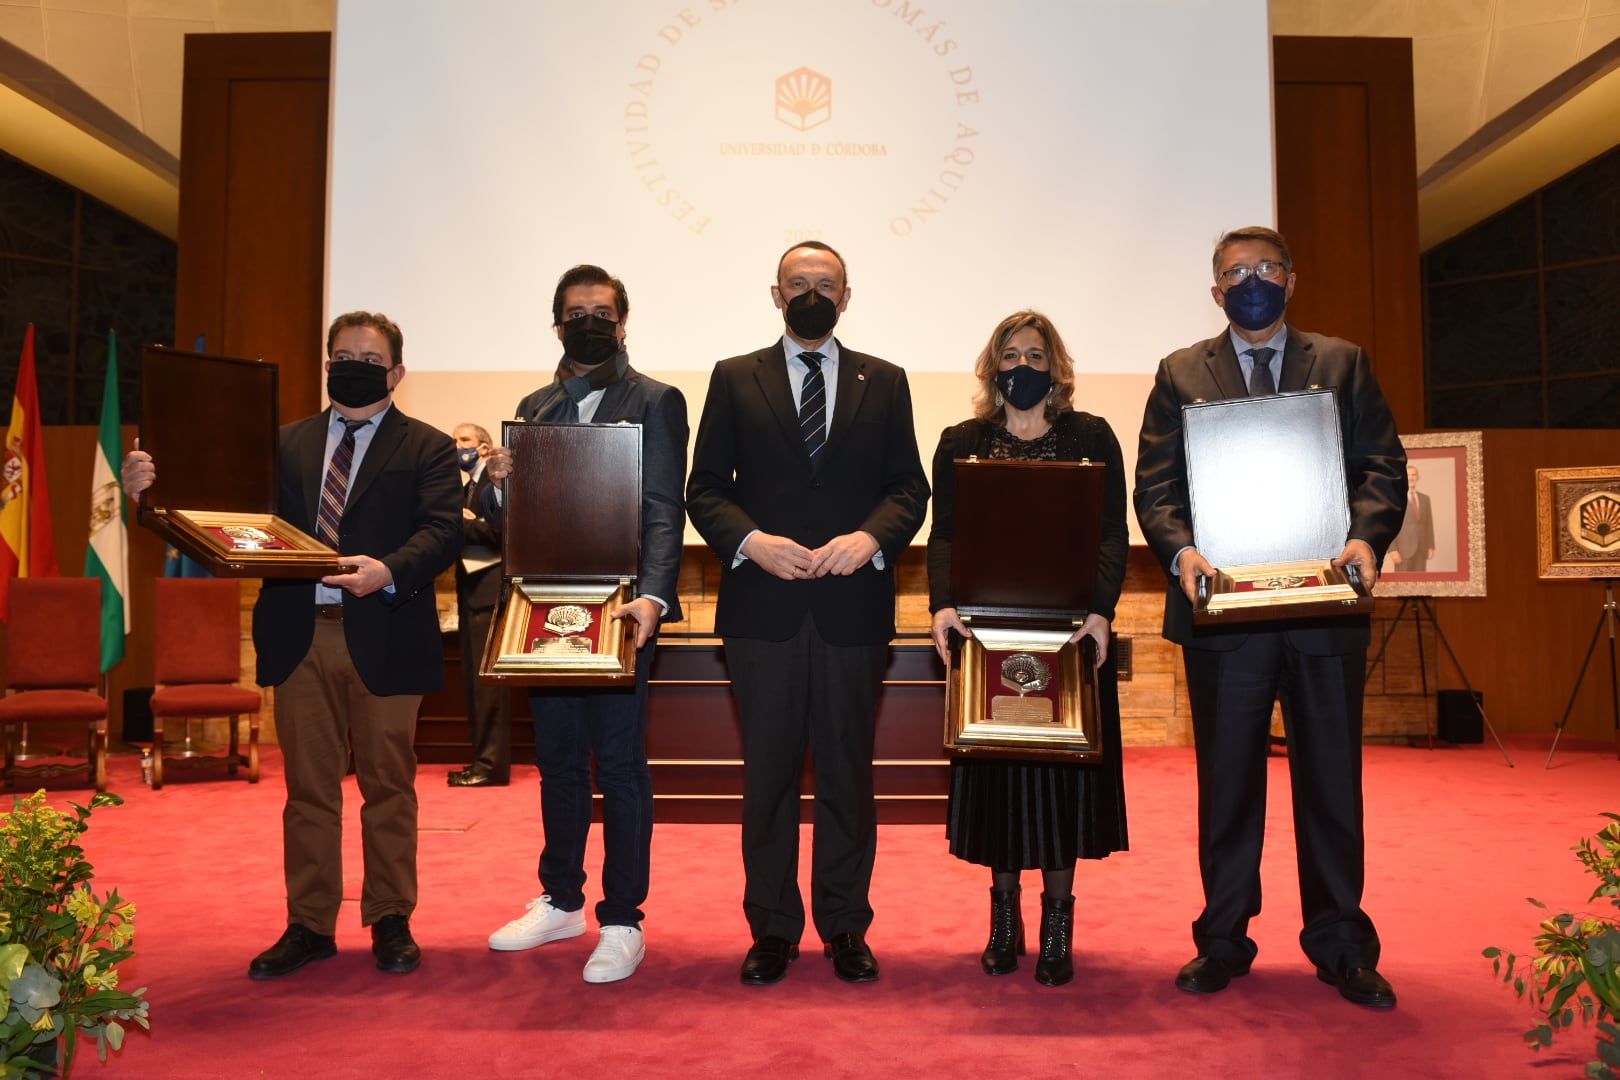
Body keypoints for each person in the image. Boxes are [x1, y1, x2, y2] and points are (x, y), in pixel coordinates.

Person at [122, 311, 463, 979]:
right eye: (342, 354)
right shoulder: (281, 443)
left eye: (370, 356)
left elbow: (443, 530)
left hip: (387, 632)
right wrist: (150, 497)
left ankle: (391, 917)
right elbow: (221, 521)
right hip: (299, 635)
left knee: (389, 787)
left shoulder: (427, 446)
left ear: (397, 372)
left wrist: (387, 570)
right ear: (327, 363)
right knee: (308, 790)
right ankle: (309, 923)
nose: (354, 364)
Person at [1133, 226, 1407, 1008]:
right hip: (1224, 615)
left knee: (1331, 782)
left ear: (1292, 278)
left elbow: (1383, 464)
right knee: (1227, 788)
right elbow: (1156, 487)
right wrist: (1182, 553)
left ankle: (1342, 943)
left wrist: (1364, 537)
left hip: (1324, 612)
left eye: (1264, 268)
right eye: (1233, 273)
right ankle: (1221, 940)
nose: (1250, 281)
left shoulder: (1342, 361)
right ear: (1215, 291)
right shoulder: (1181, 371)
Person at [686, 241, 929, 986]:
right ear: (775, 293)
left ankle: (846, 927)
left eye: (826, 284)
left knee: (850, 776)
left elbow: (908, 489)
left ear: (847, 296)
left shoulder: (884, 381)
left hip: (853, 610)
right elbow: (705, 490)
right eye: (799, 283)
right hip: (763, 613)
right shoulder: (734, 378)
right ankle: (771, 928)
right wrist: (752, 542)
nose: (812, 293)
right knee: (768, 780)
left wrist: (870, 539)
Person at [481, 265, 688, 984]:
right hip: (546, 611)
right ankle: (562, 899)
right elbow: (518, 526)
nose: (590, 321)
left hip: (621, 614)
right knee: (560, 761)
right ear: (558, 323)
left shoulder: (657, 400)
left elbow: (664, 508)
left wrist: (655, 600)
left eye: (603, 311)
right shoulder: (534, 404)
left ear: (623, 323)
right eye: (576, 311)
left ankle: (623, 917)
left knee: (622, 766)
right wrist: (499, 485)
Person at [927, 311, 1129, 988]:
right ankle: (1005, 919)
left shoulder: (1091, 435)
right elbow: (946, 535)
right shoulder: (962, 440)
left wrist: (1103, 612)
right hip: (989, 635)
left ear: (1056, 366)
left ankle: (1058, 923)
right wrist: (943, 605)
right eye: (1010, 355)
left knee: (1062, 784)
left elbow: (1108, 533)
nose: (1023, 367)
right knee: (1002, 783)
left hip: (1071, 635)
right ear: (992, 367)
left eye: (1035, 355)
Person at [447, 423, 510, 787]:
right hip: (471, 593)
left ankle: (490, 766)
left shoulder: (492, 484)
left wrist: (461, 524)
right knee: (473, 684)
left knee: (489, 687)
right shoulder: (465, 488)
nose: (457, 446)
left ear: (484, 449)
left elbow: (500, 532)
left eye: (464, 440)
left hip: (490, 594)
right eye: (455, 440)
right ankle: (480, 761)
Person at [1389, 464, 1435, 572]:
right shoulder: (1395, 499)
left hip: (1422, 549)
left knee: (1420, 585)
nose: (1411, 478)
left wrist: (1431, 546)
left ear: (1418, 477)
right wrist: (1392, 550)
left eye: (1414, 475)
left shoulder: (1425, 499)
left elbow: (1429, 524)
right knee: (1402, 586)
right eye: (1408, 475)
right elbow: (1390, 526)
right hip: (1403, 550)